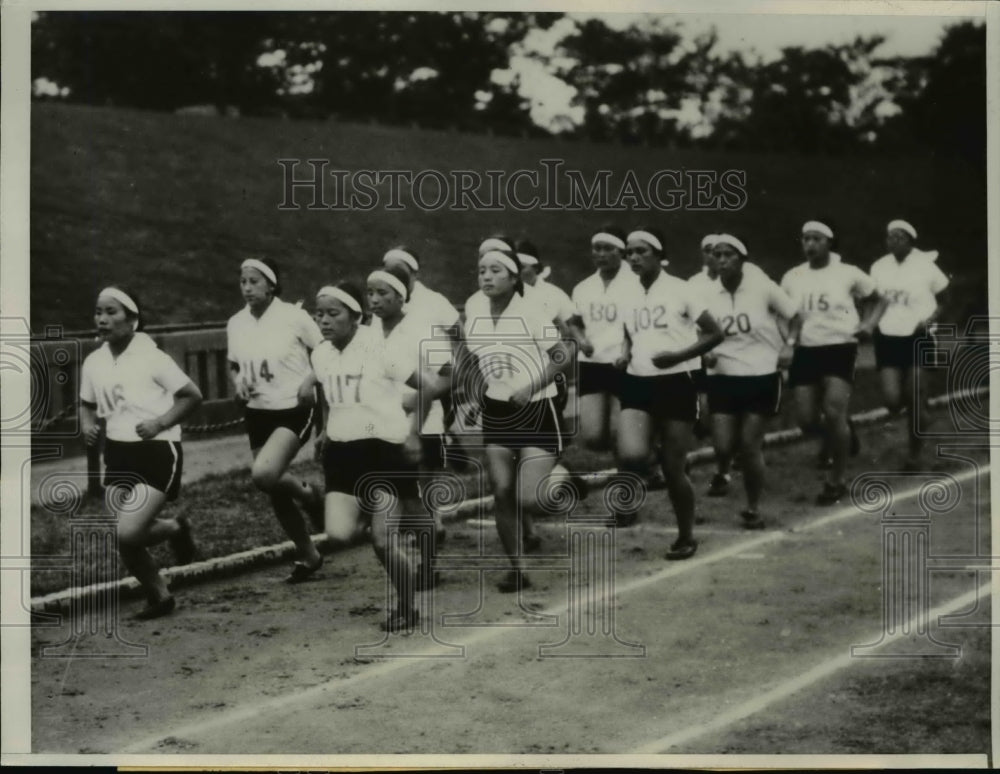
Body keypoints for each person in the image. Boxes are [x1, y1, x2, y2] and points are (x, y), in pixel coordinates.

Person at [308, 281, 444, 632]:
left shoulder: (380, 348)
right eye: (319, 314)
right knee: (338, 535)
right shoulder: (321, 354)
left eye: (333, 314)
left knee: (382, 541)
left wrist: (413, 432)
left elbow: (427, 386)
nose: (324, 321)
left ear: (355, 316)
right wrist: (324, 430)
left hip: (384, 451)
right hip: (342, 453)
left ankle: (407, 606)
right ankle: (413, 523)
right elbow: (327, 393)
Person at [80, 286, 203, 619]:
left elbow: (192, 395)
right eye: (98, 312)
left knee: (128, 531)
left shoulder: (152, 357)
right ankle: (159, 595)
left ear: (132, 319)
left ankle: (176, 528)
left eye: (111, 312)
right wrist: (87, 424)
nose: (102, 319)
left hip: (157, 450)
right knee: (123, 534)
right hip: (118, 452)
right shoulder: (94, 361)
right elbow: (86, 404)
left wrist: (160, 422)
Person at [459, 247, 573, 591]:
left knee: (530, 499)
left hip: (537, 408)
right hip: (498, 412)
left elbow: (562, 354)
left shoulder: (530, 311)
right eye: (482, 270)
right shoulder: (474, 311)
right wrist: (477, 397)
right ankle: (517, 568)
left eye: (495, 271)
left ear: (513, 277)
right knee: (502, 491)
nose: (486, 277)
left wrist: (531, 386)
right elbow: (481, 362)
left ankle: (563, 477)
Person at [614, 227, 724, 559]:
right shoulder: (626, 292)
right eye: (629, 252)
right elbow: (630, 333)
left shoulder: (681, 289)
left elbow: (714, 333)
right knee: (631, 454)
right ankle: (654, 462)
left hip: (677, 381)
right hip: (637, 380)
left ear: (659, 255)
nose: (634, 258)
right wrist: (624, 353)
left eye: (641, 251)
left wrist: (678, 356)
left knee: (674, 468)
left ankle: (686, 535)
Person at [226, 258, 326, 584]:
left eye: (254, 281)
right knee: (273, 488)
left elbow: (328, 351)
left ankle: (310, 495)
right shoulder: (237, 323)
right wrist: (238, 384)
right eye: (243, 281)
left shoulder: (293, 317)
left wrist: (310, 380)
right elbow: (234, 364)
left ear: (271, 285)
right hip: (258, 411)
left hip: (293, 407)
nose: (247, 288)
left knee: (265, 474)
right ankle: (308, 553)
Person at [780, 220, 883, 505]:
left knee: (834, 411)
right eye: (805, 239)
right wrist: (788, 341)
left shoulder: (847, 272)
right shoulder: (792, 276)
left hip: (840, 346)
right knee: (806, 420)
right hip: (806, 349)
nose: (810, 244)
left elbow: (878, 299)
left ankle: (836, 480)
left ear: (829, 242)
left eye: (816, 239)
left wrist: (869, 324)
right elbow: (785, 313)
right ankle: (843, 434)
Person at [702, 235, 798, 528]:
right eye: (717, 255)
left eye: (728, 254)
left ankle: (752, 507)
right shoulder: (705, 293)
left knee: (749, 445)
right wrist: (704, 352)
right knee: (722, 446)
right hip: (722, 376)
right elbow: (697, 329)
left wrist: (789, 345)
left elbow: (795, 315)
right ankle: (728, 472)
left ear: (742, 258)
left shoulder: (763, 288)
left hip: (761, 374)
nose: (721, 260)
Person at [380, 247, 464, 532]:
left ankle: (432, 520)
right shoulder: (379, 311)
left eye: (399, 270)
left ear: (414, 273)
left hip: (431, 385)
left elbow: (459, 339)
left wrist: (435, 388)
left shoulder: (432, 303)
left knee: (425, 462)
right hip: (395, 393)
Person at [869, 219, 949, 470]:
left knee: (914, 397)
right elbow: (874, 300)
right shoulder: (879, 267)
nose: (893, 241)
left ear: (910, 241)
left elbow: (944, 298)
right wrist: (870, 323)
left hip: (918, 336)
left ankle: (914, 454)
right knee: (893, 400)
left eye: (899, 237)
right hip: (888, 337)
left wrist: (931, 319)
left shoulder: (925, 266)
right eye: (890, 236)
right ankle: (921, 409)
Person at [568, 226, 640, 453]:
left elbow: (639, 326)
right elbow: (574, 322)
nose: (600, 254)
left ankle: (640, 459)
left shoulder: (637, 283)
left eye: (608, 249)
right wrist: (581, 340)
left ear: (622, 252)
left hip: (626, 365)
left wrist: (627, 352)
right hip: (593, 364)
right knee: (593, 437)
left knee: (622, 435)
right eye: (597, 249)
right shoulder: (584, 287)